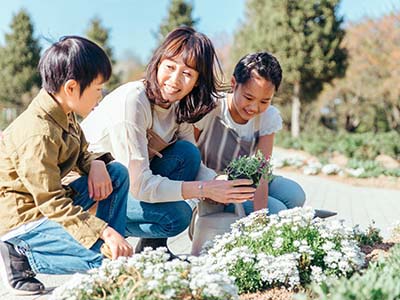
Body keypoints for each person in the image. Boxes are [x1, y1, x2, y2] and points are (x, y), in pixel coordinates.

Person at [81, 26, 255, 256]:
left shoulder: (176, 105)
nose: (174, 80)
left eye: (187, 73)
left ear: (196, 81)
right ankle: (85, 234)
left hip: (123, 185)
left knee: (186, 154)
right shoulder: (133, 102)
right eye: (170, 67)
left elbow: (191, 161)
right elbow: (140, 185)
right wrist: (204, 190)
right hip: (86, 191)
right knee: (176, 216)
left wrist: (221, 182)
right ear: (157, 63)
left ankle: (153, 249)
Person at [0, 36, 133, 296]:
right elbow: (50, 202)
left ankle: (113, 252)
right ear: (71, 87)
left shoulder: (64, 110)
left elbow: (81, 150)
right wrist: (102, 231)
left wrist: (95, 162)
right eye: (97, 88)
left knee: (115, 174)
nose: (101, 95)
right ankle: (20, 254)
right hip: (25, 217)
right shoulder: (37, 134)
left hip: (51, 202)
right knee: (106, 261)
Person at [194, 51, 306, 215]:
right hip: (211, 183)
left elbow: (261, 171)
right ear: (234, 84)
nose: (254, 108)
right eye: (248, 97)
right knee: (276, 210)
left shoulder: (268, 117)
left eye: (264, 101)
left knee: (294, 195)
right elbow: (190, 158)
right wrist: (209, 186)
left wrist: (259, 216)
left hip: (245, 181)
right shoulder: (211, 107)